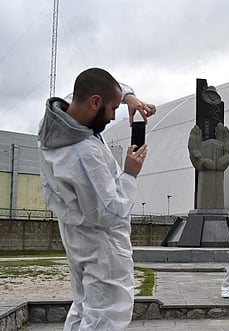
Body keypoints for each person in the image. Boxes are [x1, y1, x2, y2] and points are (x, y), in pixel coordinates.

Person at [38, 67, 156, 331]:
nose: (114, 116)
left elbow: (96, 86)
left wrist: (129, 98)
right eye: (113, 108)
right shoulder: (83, 153)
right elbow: (108, 213)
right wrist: (130, 174)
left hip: (77, 234)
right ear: (95, 102)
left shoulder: (61, 121)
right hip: (101, 244)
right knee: (106, 314)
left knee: (84, 305)